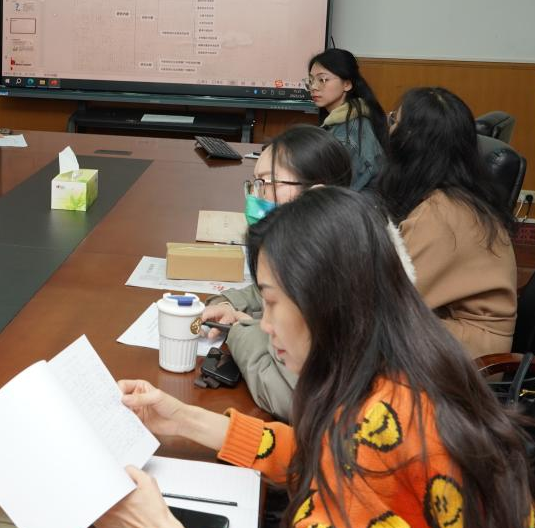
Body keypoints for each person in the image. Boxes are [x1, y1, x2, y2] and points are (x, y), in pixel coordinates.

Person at [96, 187, 535, 528]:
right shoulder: (411, 364)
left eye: (271, 302)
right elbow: (319, 453)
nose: (264, 324)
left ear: (324, 301)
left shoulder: (372, 442)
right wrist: (184, 419)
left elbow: (349, 463)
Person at [200, 125, 356, 420]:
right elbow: (273, 290)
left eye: (268, 183)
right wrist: (229, 304)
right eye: (254, 183)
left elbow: (292, 399)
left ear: (317, 194)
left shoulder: (340, 273)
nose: (255, 196)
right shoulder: (338, 240)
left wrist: (241, 331)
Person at [377, 86, 517, 357]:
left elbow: (390, 298)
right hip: (446, 329)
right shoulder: (455, 195)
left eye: (394, 120)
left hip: (471, 353)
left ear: (411, 143)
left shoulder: (441, 214)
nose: (389, 129)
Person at [306, 48, 388, 191]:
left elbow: (337, 195)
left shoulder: (349, 136)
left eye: (322, 80)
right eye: (311, 80)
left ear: (347, 84)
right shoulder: (343, 120)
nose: (313, 87)